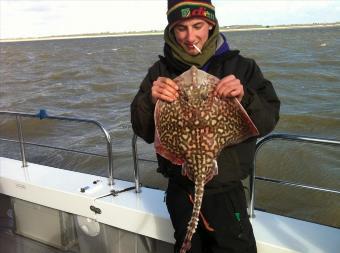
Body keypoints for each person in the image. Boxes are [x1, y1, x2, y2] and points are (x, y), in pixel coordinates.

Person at [131, 0, 280, 252]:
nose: (190, 37)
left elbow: (267, 121)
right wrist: (150, 100)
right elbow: (143, 130)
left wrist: (245, 98)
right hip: (180, 190)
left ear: (210, 24)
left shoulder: (242, 68)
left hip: (226, 193)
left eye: (197, 25)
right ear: (171, 31)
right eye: (181, 28)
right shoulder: (160, 71)